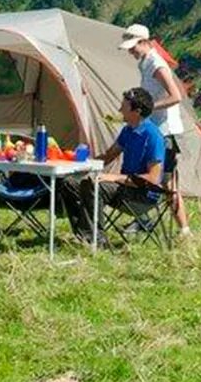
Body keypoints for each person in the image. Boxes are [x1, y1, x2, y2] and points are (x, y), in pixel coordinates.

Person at [57, 87, 167, 239]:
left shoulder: (153, 136)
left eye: (124, 106)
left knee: (95, 185)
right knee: (68, 182)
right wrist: (78, 164)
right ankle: (83, 233)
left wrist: (114, 178)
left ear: (137, 111)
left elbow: (153, 179)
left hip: (143, 194)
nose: (120, 109)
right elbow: (109, 156)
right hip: (125, 187)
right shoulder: (128, 130)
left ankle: (95, 239)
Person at [121, 24, 191, 235]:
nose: (130, 51)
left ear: (144, 42)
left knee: (167, 183)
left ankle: (184, 230)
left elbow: (176, 96)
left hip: (165, 132)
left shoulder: (157, 64)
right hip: (153, 129)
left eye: (133, 47)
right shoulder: (144, 62)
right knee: (140, 174)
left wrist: (147, 108)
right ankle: (142, 219)